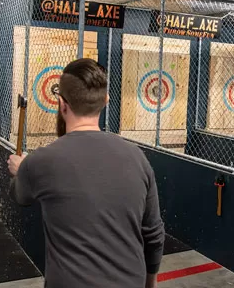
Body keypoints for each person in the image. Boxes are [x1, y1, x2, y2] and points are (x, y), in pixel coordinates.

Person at [8, 58, 165, 288]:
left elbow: (18, 195)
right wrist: (150, 284)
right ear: (106, 101)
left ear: (61, 104)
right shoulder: (137, 157)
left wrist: (20, 170)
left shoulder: (40, 162)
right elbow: (153, 233)